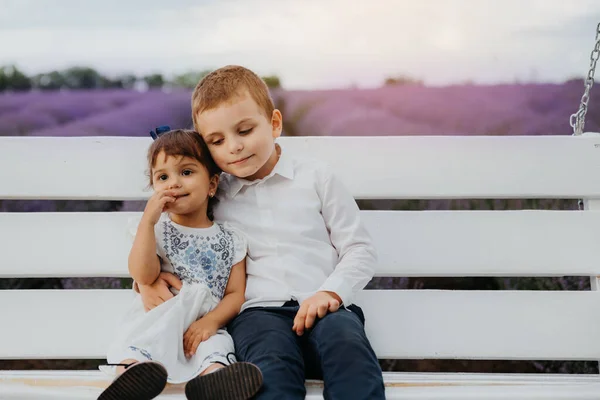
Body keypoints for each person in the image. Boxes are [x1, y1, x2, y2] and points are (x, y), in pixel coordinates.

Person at [140, 65, 386, 399]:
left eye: (245, 130)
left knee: (348, 347)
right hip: (258, 314)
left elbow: (359, 249)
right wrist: (145, 281)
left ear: (274, 124)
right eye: (217, 140)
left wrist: (331, 293)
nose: (235, 147)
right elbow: (174, 244)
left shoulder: (315, 177)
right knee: (269, 368)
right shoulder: (213, 193)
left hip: (326, 306)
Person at [99, 128, 262, 400]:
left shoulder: (231, 239)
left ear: (211, 185)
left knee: (217, 347)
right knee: (143, 342)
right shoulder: (155, 231)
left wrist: (211, 321)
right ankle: (131, 376)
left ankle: (214, 382)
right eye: (163, 177)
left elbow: (236, 294)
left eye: (186, 172)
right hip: (162, 317)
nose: (173, 183)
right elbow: (143, 274)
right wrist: (147, 222)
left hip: (203, 325)